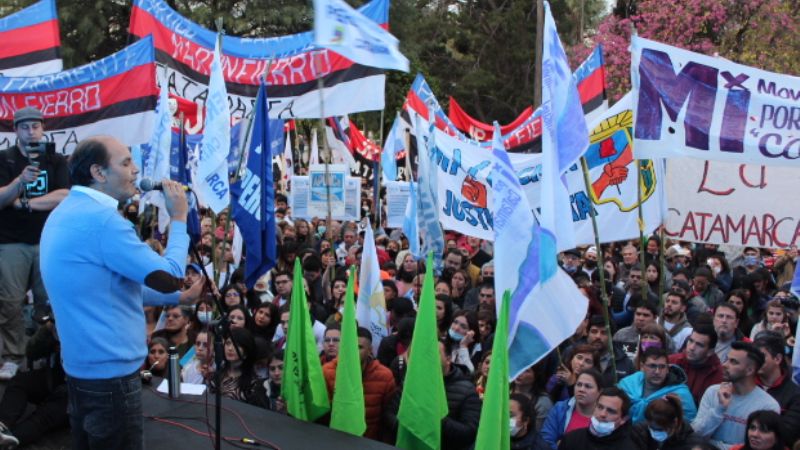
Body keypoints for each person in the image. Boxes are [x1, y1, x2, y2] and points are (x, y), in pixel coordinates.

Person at [39, 136, 201, 449]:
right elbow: (170, 276)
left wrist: (178, 300)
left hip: (82, 371)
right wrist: (179, 218)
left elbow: (107, 289)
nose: (135, 169)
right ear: (99, 173)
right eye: (125, 162)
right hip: (110, 378)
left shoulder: (66, 211)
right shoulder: (102, 221)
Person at [0, 107, 69, 380]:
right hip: (10, 242)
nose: (31, 131)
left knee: (48, 303)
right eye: (25, 127)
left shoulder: (56, 160)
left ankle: (48, 355)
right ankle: (12, 356)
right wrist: (19, 182)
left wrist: (25, 202)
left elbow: (64, 195)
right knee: (9, 303)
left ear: (43, 128)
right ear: (16, 130)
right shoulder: (4, 159)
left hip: (47, 241)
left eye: (35, 126)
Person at [692, 342, 780, 449]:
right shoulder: (713, 392)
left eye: (733, 362)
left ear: (750, 370)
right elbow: (696, 434)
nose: (724, 365)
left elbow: (755, 446)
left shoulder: (768, 406)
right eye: (726, 359)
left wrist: (715, 446)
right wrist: (719, 409)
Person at [0, 312, 68, 448]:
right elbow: (32, 352)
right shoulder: (59, 321)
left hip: (82, 389)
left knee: (44, 415)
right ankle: (2, 424)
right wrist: (48, 331)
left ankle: (11, 439)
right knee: (19, 382)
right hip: (56, 377)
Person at [322, 327, 395, 441]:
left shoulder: (385, 376)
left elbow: (387, 415)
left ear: (370, 350)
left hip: (370, 441)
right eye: (350, 346)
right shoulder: (327, 372)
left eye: (359, 347)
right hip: (336, 440)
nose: (353, 351)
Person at [618, 347, 697, 423]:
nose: (657, 372)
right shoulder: (627, 384)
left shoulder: (680, 393)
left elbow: (689, 424)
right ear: (642, 367)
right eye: (652, 366)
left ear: (667, 369)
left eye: (662, 367)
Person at [752, 331, 800, 447]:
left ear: (777, 359)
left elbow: (787, 433)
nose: (755, 360)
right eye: (753, 355)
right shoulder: (745, 385)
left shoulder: (795, 395)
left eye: (761, 356)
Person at [541, 369, 604, 449]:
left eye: (588, 386)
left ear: (600, 391)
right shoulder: (560, 409)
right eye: (579, 384)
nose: (581, 389)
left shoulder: (604, 416)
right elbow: (545, 440)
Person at [558, 386, 638, 449]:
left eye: (611, 411)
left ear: (623, 419)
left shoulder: (629, 447)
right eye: (600, 407)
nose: (602, 414)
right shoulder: (572, 439)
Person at [669, 325, 724, 405]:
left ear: (710, 352)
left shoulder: (719, 376)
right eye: (690, 341)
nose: (692, 347)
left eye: (699, 345)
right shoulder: (671, 361)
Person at [630, 394, 701, 450]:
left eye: (660, 429)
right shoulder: (638, 432)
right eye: (651, 427)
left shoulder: (693, 445)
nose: (655, 432)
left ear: (675, 422)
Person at [586, 315, 635, 386]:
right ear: (587, 333)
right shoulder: (575, 355)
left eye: (603, 333)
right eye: (594, 332)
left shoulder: (625, 363)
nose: (598, 336)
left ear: (611, 336)